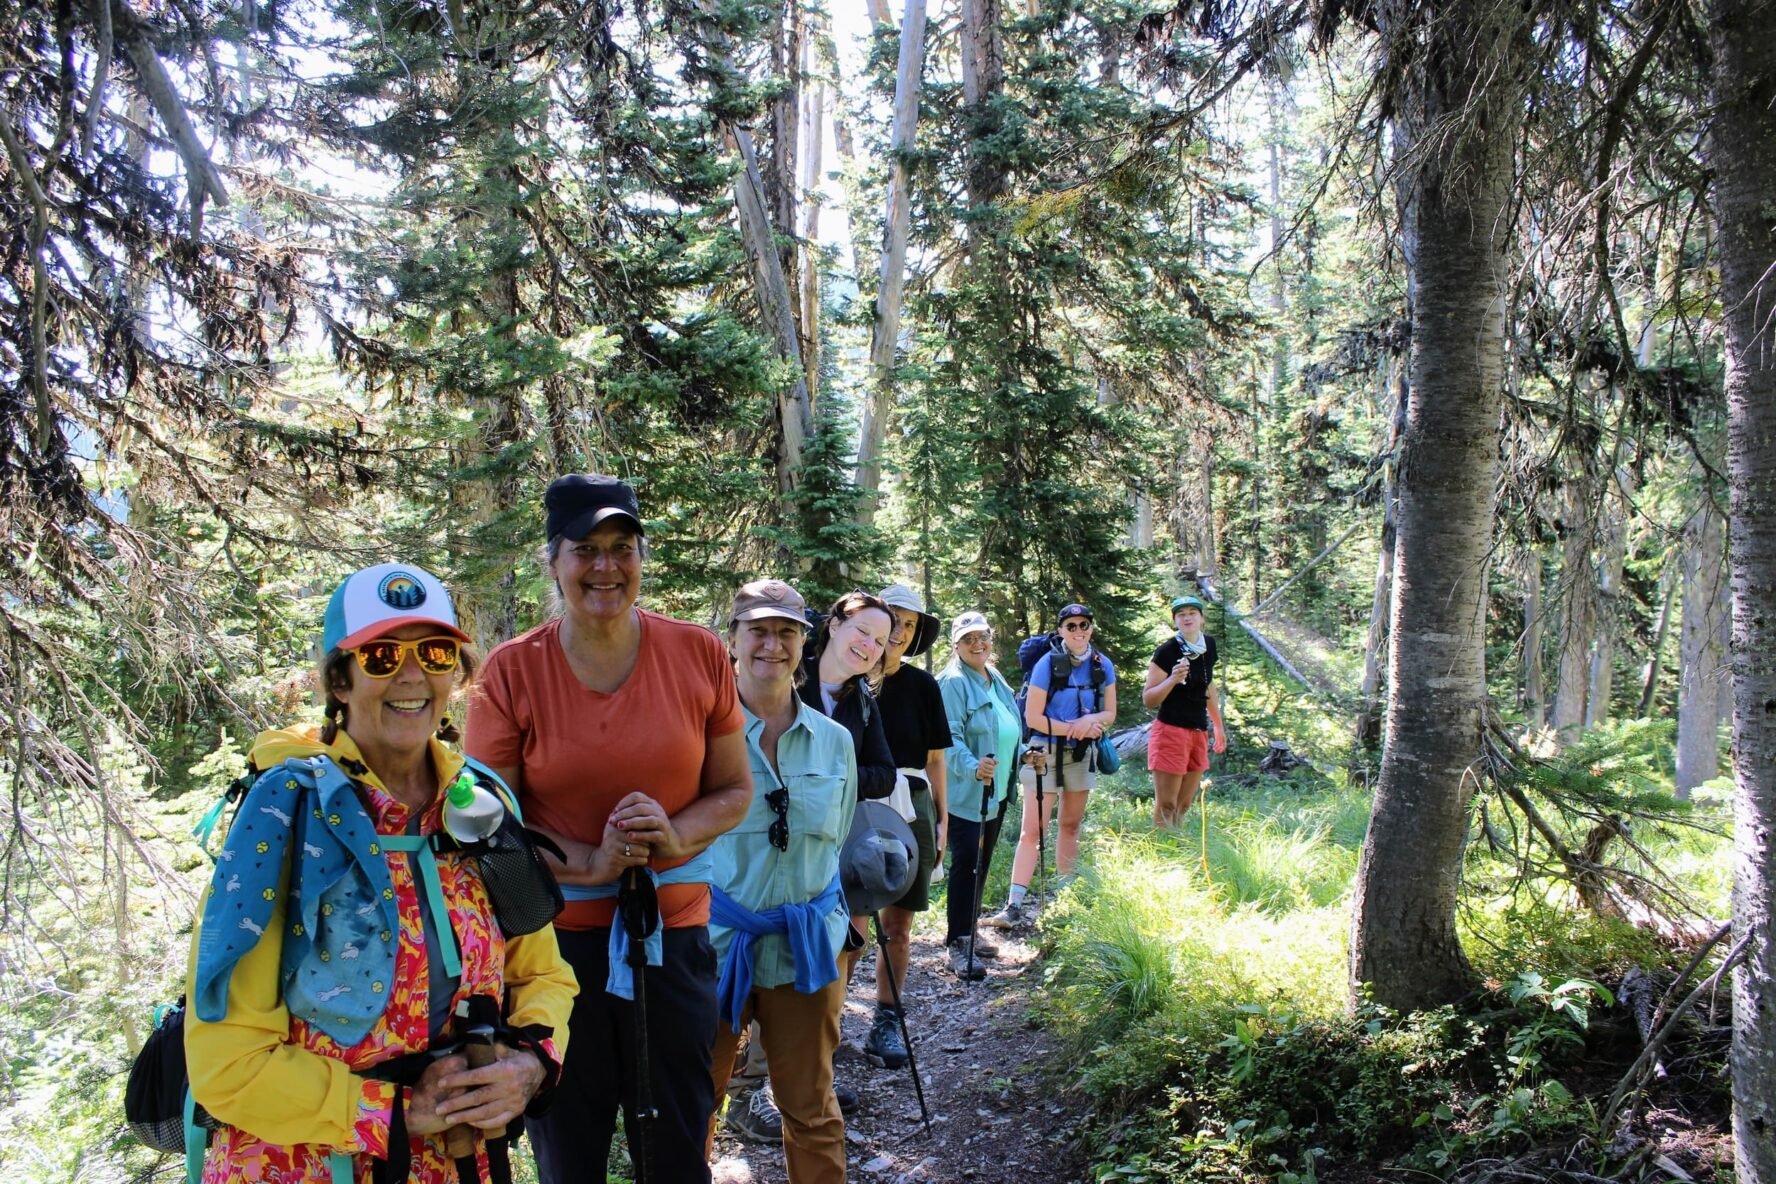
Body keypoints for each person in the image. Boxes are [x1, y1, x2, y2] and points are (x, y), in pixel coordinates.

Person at [186, 562, 578, 1184]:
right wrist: (393, 1112)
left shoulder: (476, 810)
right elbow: (226, 1062)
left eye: (437, 652)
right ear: (340, 681)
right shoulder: (288, 816)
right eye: (382, 655)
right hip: (308, 1167)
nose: (413, 673)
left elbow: (544, 975)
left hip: (460, 1165)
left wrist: (531, 1062)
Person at [465, 474, 753, 1184]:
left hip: (673, 938)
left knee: (680, 1143)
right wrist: (592, 862)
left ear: (640, 556)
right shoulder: (512, 673)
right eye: (584, 549)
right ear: (553, 561)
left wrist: (675, 834)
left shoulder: (699, 654)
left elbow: (734, 789)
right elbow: (480, 825)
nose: (605, 567)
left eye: (621, 547)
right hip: (552, 954)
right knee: (569, 1145)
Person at [704, 579, 857, 1181]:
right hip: (713, 950)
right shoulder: (699, 738)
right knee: (692, 1103)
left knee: (811, 1108)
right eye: (759, 631)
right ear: (733, 641)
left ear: (804, 643)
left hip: (806, 952)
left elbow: (837, 839)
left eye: (787, 632)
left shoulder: (836, 743)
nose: (773, 644)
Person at [985, 603, 1117, 929]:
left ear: (1091, 627)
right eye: (1070, 626)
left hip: (1081, 753)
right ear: (1061, 630)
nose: (1078, 631)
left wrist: (1089, 722)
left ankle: (1064, 900)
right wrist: (1071, 728)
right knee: (1034, 829)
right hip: (1043, 752)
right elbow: (1032, 717)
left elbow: (1109, 713)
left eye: (1083, 624)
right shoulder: (1047, 663)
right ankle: (1013, 905)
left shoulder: (1103, 665)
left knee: (1071, 825)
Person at [862, 585, 950, 1070]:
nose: (899, 631)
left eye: (910, 624)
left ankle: (886, 1019)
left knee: (899, 922)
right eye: (892, 618)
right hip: (857, 803)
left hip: (913, 803)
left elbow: (936, 759)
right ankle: (825, 1027)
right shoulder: (847, 680)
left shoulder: (923, 687)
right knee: (852, 922)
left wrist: (941, 821)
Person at [936, 611, 1021, 980]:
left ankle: (970, 929)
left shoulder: (993, 676)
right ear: (956, 644)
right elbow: (946, 738)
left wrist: (1027, 749)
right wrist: (973, 765)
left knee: (982, 862)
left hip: (996, 788)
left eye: (982, 637)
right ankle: (958, 940)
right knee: (967, 862)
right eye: (969, 639)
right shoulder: (953, 682)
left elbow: (1007, 724)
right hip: (967, 790)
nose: (978, 644)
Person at [1142, 595, 1226, 827]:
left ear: (1201, 618)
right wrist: (1172, 680)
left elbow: (1208, 684)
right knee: (1167, 804)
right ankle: (1163, 850)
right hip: (1170, 731)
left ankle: (1177, 847)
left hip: (1198, 731)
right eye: (1181, 614)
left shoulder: (1208, 645)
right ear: (1175, 621)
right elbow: (1148, 699)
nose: (1187, 618)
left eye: (1192, 612)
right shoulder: (1166, 652)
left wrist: (1217, 726)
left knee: (1184, 804)